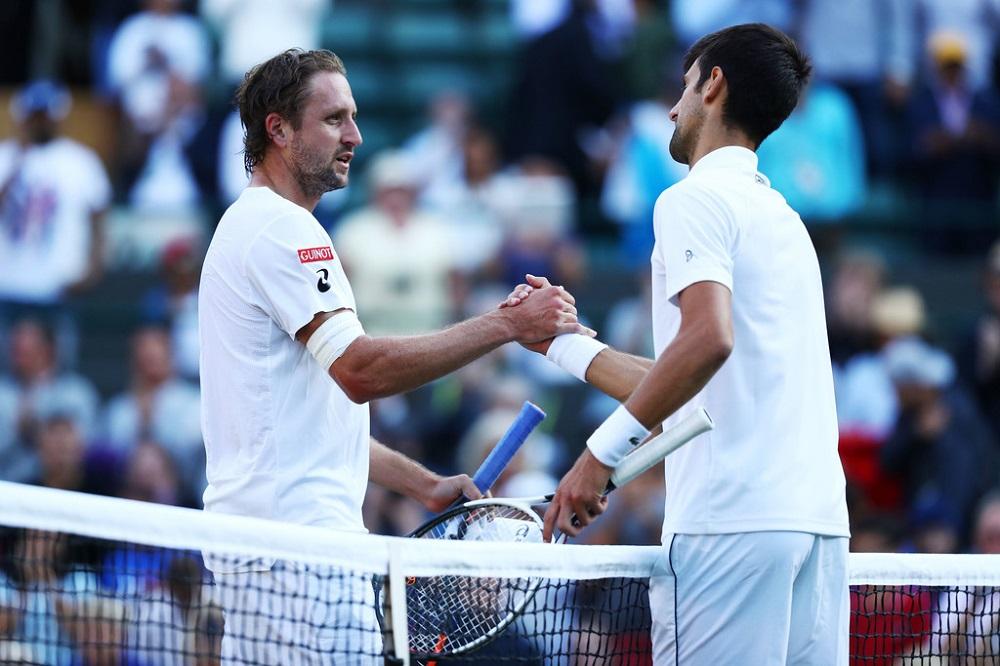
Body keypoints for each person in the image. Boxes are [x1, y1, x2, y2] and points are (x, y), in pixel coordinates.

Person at [198, 48, 588, 664]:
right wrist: (508, 325)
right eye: (333, 120)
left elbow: (319, 419)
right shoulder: (281, 229)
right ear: (277, 128)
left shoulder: (256, 224)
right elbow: (360, 372)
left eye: (351, 117)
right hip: (302, 554)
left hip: (268, 547)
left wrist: (425, 483)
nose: (354, 135)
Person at [509, 24, 850, 663]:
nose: (673, 105)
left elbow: (706, 342)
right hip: (817, 530)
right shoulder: (786, 221)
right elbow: (694, 385)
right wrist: (565, 347)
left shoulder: (691, 199)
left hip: (731, 527)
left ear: (713, 84)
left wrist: (598, 456)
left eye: (685, 86)